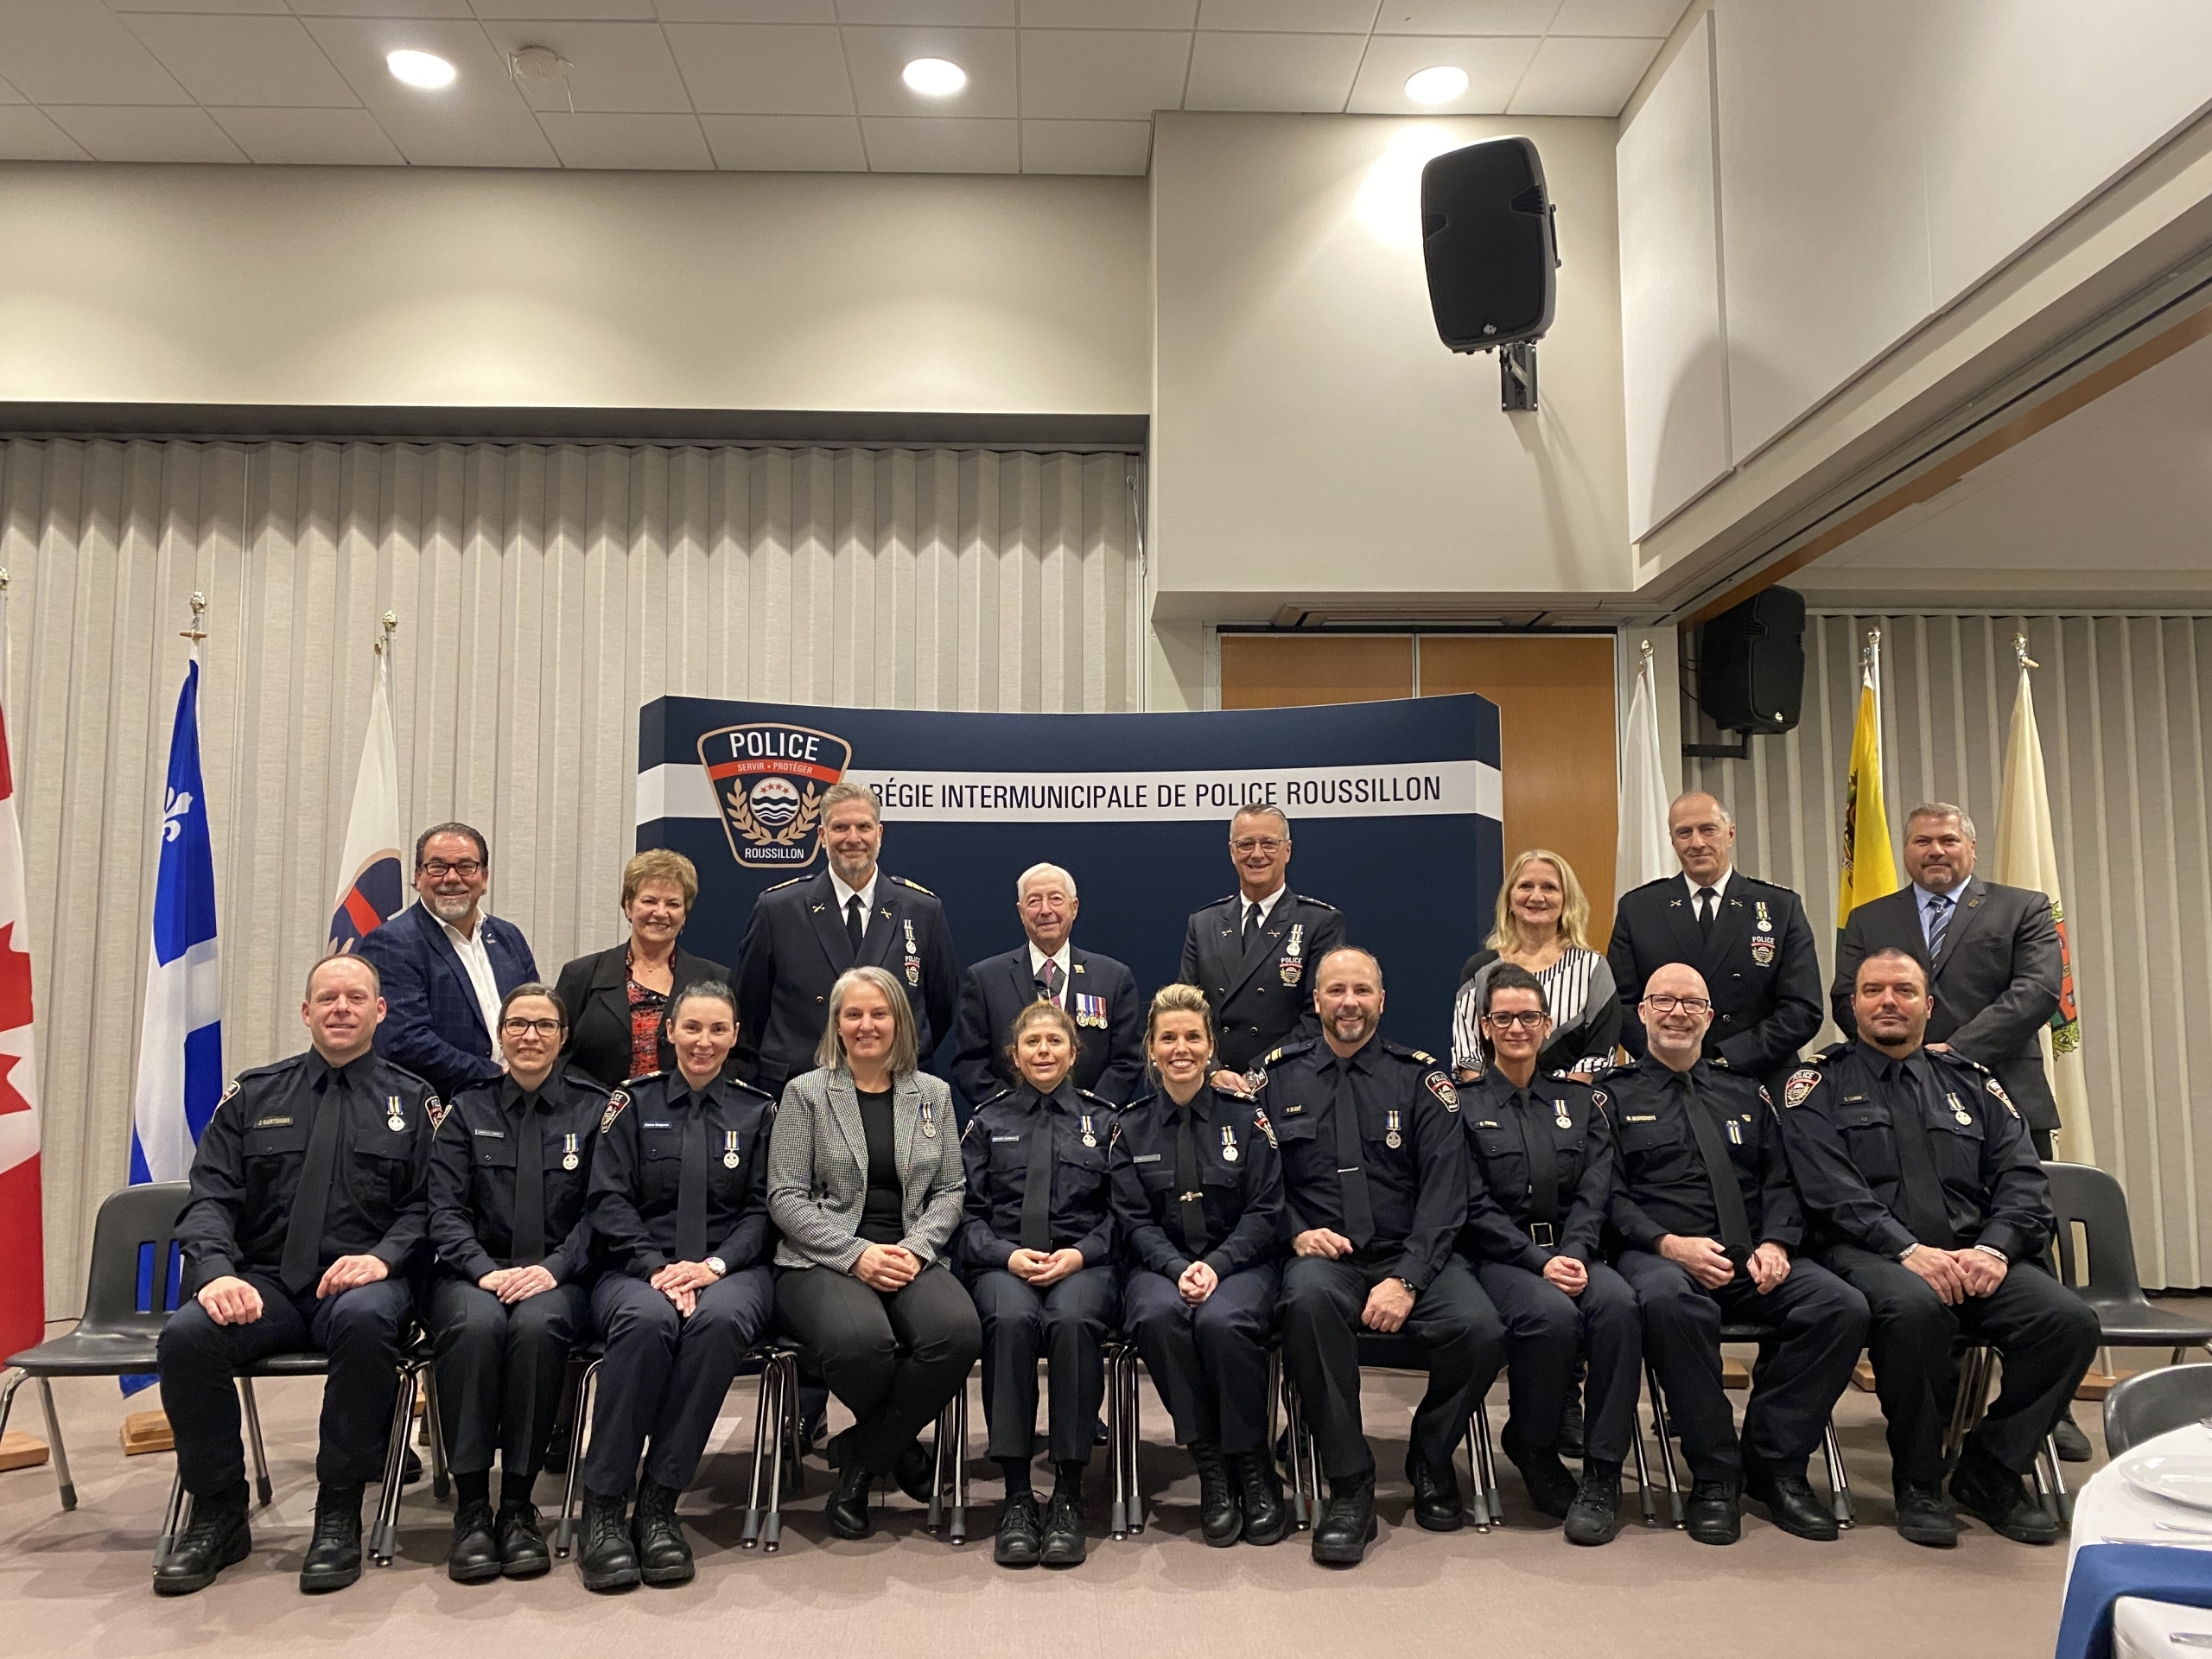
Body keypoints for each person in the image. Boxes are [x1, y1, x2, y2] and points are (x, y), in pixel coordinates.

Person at [1778, 946, 2099, 1549]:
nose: (1888, 1002)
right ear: (1854, 1006)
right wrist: (1907, 1251)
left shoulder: (1972, 1082)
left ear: (1929, 1005)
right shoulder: (1816, 1083)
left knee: (2068, 1322)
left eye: (1902, 990)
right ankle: (1919, 1481)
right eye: (1873, 991)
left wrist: (1997, 1249)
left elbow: (2023, 1179)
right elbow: (1829, 1191)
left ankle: (1992, 1468)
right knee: (1915, 1310)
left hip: (1975, 1257)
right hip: (1868, 1255)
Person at [154, 955, 436, 1597]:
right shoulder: (255, 1095)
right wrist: (217, 1274)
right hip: (266, 1284)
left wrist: (384, 1258)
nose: (342, 1007)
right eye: (328, 998)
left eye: (356, 997)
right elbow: (210, 1200)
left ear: (379, 1011)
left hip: (362, 1280)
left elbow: (428, 1206)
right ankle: (218, 1511)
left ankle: (338, 1509)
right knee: (187, 1337)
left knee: (368, 1324)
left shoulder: (414, 1102)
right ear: (306, 1012)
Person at [1605, 963, 1869, 1546]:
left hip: (1750, 1254)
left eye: (1691, 1003)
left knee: (1839, 1306)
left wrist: (1777, 1242)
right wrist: (1668, 1244)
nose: (1678, 1013)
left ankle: (1775, 1464)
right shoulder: (1612, 1098)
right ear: (1643, 1013)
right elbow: (1608, 1196)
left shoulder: (1747, 1092)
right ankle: (1715, 1476)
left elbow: (1782, 1181)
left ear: (1709, 1017)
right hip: (1659, 1254)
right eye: (1664, 1002)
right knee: (1672, 1306)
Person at [1260, 945, 1502, 1567]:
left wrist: (1407, 1278)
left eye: (1361, 991)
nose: (1349, 1003)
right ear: (1315, 1001)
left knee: (1479, 1330)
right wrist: (1292, 1231)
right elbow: (1254, 1185)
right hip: (1325, 1256)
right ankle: (1350, 1485)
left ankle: (1429, 1454)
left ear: (1381, 1000)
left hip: (1410, 1252)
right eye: (1336, 991)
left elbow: (1447, 1194)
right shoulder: (1274, 1078)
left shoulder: (1420, 1079)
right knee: (1306, 1305)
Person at [767, 966, 982, 1541]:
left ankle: (863, 1460)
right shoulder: (806, 1093)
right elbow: (784, 1198)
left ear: (899, 1023)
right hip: (822, 1256)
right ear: (836, 1024)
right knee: (861, 1344)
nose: (867, 1025)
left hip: (911, 1250)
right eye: (854, 1014)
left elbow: (951, 1189)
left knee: (957, 1333)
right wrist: (856, 1253)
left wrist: (915, 1248)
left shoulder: (931, 1095)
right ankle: (905, 1455)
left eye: (879, 1013)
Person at [576, 981, 776, 1592]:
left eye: (718, 1030)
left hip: (730, 1271)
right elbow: (607, 1200)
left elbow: (766, 1209)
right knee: (646, 1322)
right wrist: (654, 1267)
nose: (704, 1042)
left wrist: (713, 1268)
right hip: (639, 1268)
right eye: (691, 1028)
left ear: (735, 1036)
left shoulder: (756, 1110)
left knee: (718, 1324)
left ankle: (661, 1503)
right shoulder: (630, 1105)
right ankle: (605, 1508)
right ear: (669, 1031)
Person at [425, 982, 608, 1582]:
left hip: (559, 1275)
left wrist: (551, 1270)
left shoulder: (595, 1109)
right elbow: (444, 1211)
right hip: (473, 1274)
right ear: (500, 1037)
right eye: (518, 1025)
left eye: (544, 1026)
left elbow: (602, 1211)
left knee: (538, 1328)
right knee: (473, 1330)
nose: (530, 1036)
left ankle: (519, 1505)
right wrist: (483, 1270)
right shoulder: (466, 1110)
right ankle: (473, 1506)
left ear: (563, 1038)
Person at [1454, 964, 1638, 1547]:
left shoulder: (1579, 1102)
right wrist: (1540, 1264)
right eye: (1503, 1017)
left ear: (1547, 1023)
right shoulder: (1460, 1104)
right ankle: (1532, 1443)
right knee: (1551, 1316)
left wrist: (1577, 1252)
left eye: (1528, 1016)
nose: (1516, 1027)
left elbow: (1596, 1188)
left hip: (1575, 1250)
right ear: (1484, 1027)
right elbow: (1471, 1204)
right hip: (1502, 1259)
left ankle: (1603, 1473)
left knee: (1620, 1306)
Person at [1107, 983, 1288, 1548]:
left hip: (1239, 1265)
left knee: (1223, 1323)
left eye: (1192, 1036)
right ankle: (1210, 1464)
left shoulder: (1247, 1119)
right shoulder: (1129, 1126)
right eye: (1168, 1038)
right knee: (1158, 1319)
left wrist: (1218, 1264)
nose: (1180, 1048)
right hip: (1158, 1268)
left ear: (1211, 1046)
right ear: (1152, 1050)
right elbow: (1132, 1220)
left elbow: (1265, 1211)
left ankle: (1251, 1466)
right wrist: (1173, 1267)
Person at [958, 1000, 1121, 1569]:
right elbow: (966, 1216)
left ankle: (1070, 1494)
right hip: (1005, 1266)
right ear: (1015, 1056)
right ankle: (1018, 1496)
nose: (1044, 1052)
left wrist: (1079, 1255)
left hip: (1084, 1266)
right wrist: (1006, 1255)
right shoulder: (987, 1122)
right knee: (1009, 1321)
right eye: (1033, 1044)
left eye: (1055, 1042)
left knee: (1073, 1323)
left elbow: (1122, 1214)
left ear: (1074, 1053)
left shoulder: (1104, 1123)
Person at [734, 780, 959, 1098]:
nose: (853, 838)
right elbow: (749, 1009)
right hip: (803, 1089)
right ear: (822, 836)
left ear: (879, 834)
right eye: (840, 827)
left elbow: (940, 1006)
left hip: (897, 1088)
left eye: (863, 827)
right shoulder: (778, 909)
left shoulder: (922, 910)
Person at [1607, 792, 1821, 1096]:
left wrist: (1729, 1058)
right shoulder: (1639, 909)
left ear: (1730, 833)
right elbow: (1622, 1006)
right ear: (1672, 840)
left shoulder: (1779, 907)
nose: (1697, 843)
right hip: (1666, 1082)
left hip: (1759, 1078)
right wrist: (1673, 1056)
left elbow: (1803, 1007)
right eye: (1684, 832)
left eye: (1708, 830)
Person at [359, 822, 539, 1100]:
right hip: (438, 1108)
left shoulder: (509, 937)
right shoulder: (391, 943)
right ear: (419, 876)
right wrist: (495, 1075)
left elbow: (535, 1014)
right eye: (438, 867)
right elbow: (404, 1042)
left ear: (485, 877)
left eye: (466, 866)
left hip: (519, 1101)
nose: (452, 877)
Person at [951, 861, 1145, 1108]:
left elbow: (1127, 1061)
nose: (1045, 910)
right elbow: (970, 1063)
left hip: (1091, 1130)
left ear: (1074, 907)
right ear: (1021, 912)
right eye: (1034, 901)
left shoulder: (1113, 978)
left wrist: (1088, 1111)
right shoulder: (985, 979)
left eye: (1055, 899)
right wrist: (1014, 1111)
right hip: (1009, 1130)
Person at [1179, 805, 1345, 1084]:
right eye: (1246, 844)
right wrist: (1213, 1070)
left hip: (1289, 1085)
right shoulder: (1203, 923)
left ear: (1288, 850)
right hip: (1216, 1088)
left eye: (1269, 843)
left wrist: (1258, 1074)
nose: (1257, 854)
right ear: (1232, 852)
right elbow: (1186, 1010)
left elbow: (1318, 1017)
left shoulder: (1319, 923)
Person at [555, 849, 732, 1089]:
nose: (660, 912)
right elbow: (555, 1053)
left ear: (685, 914)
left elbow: (737, 1059)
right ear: (628, 907)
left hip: (687, 1116)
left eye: (673, 903)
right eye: (649, 901)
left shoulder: (715, 979)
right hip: (593, 1114)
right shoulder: (580, 976)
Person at [1450, 849, 1621, 1083]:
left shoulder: (1593, 969)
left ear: (1566, 901)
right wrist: (1491, 1105)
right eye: (1526, 886)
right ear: (1510, 899)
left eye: (1549, 887)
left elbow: (1600, 1056)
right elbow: (1466, 1056)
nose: (1537, 897)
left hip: (1572, 1107)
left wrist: (1561, 1105)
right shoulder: (1479, 970)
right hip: (1491, 1109)